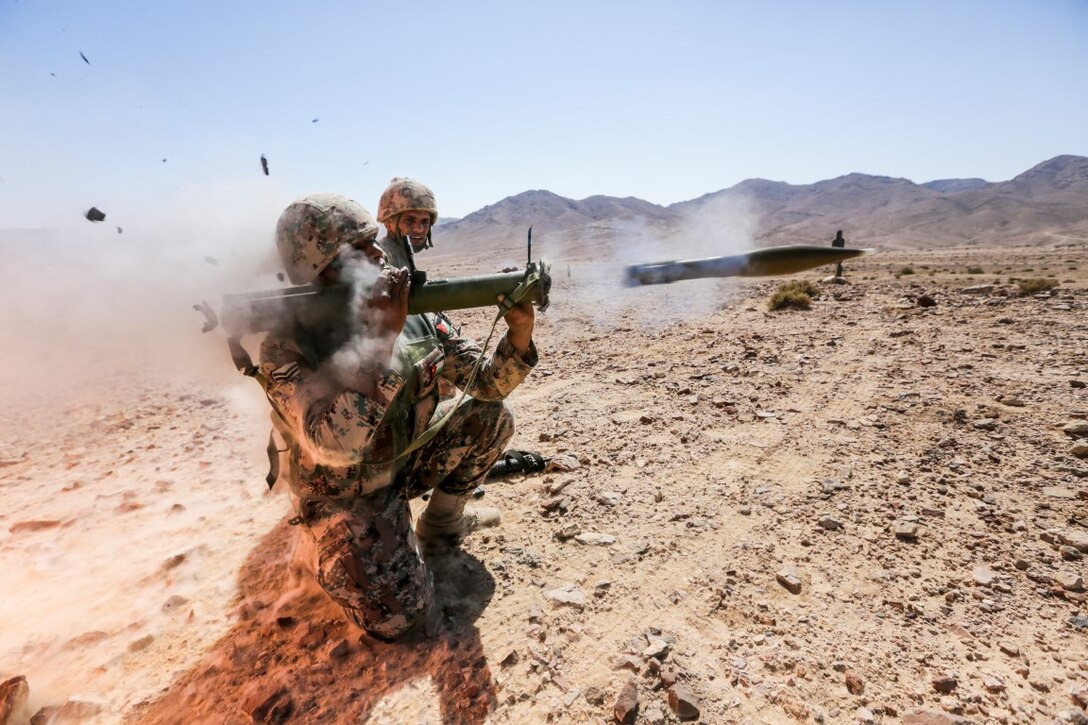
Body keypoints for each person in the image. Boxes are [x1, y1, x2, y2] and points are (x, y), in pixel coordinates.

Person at [260, 192, 538, 640]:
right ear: (318, 270)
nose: (376, 254)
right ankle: (325, 549)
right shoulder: (288, 347)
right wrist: (381, 343)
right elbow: (335, 445)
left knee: (489, 417)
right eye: (356, 251)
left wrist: (519, 332)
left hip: (402, 461)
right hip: (347, 495)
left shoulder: (408, 312)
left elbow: (487, 384)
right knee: (400, 620)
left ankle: (440, 528)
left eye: (373, 241)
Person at [377, 177, 437, 271]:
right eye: (409, 220)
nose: (419, 229)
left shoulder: (402, 252)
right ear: (388, 224)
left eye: (425, 221)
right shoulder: (380, 256)